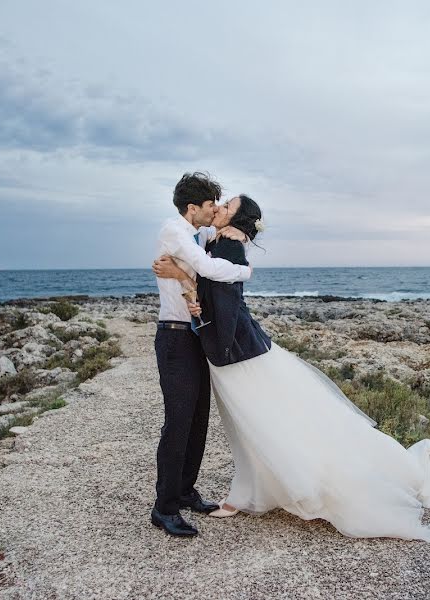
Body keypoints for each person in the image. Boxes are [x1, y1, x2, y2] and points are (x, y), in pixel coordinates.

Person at [153, 194, 430, 541]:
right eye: (217, 204)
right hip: (229, 348)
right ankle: (238, 491)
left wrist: (197, 299)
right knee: (261, 421)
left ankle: (271, 489)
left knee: (271, 421)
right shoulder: (216, 240)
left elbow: (226, 302)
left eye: (227, 206)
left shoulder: (230, 246)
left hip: (238, 352)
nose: (218, 208)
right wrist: (193, 289)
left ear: (237, 219)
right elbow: (209, 283)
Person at [150, 172, 254, 538]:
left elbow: (227, 234)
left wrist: (240, 232)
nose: (214, 211)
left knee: (197, 420)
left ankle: (185, 491)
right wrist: (245, 271)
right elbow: (210, 268)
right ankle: (164, 508)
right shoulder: (174, 231)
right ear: (192, 208)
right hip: (175, 337)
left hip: (196, 337)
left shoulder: (199, 232)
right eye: (210, 205)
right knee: (178, 422)